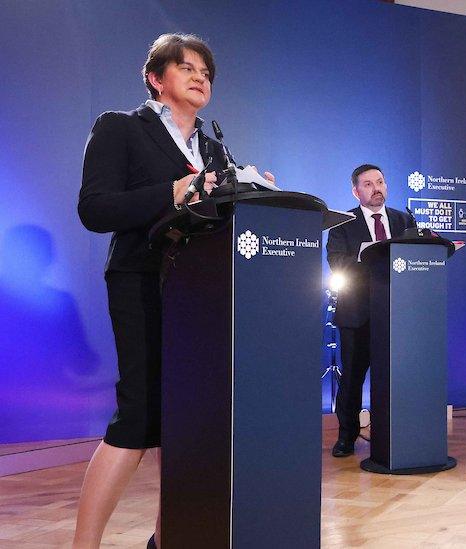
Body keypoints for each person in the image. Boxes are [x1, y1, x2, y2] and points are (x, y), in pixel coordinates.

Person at [75, 33, 273, 549]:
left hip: (201, 292)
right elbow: (95, 210)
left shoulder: (215, 149)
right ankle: (83, 544)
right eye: (186, 67)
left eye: (206, 70)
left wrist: (255, 193)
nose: (200, 76)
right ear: (156, 78)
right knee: (139, 416)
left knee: (187, 421)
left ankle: (168, 540)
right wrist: (173, 191)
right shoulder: (120, 128)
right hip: (141, 280)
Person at [326, 164, 416, 458]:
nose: (376, 188)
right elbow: (338, 263)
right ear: (356, 191)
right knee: (352, 379)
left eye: (380, 182)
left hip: (395, 314)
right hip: (357, 314)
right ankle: (347, 437)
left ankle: (392, 434)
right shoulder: (343, 224)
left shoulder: (404, 220)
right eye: (368, 184)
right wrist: (373, 258)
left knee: (393, 377)